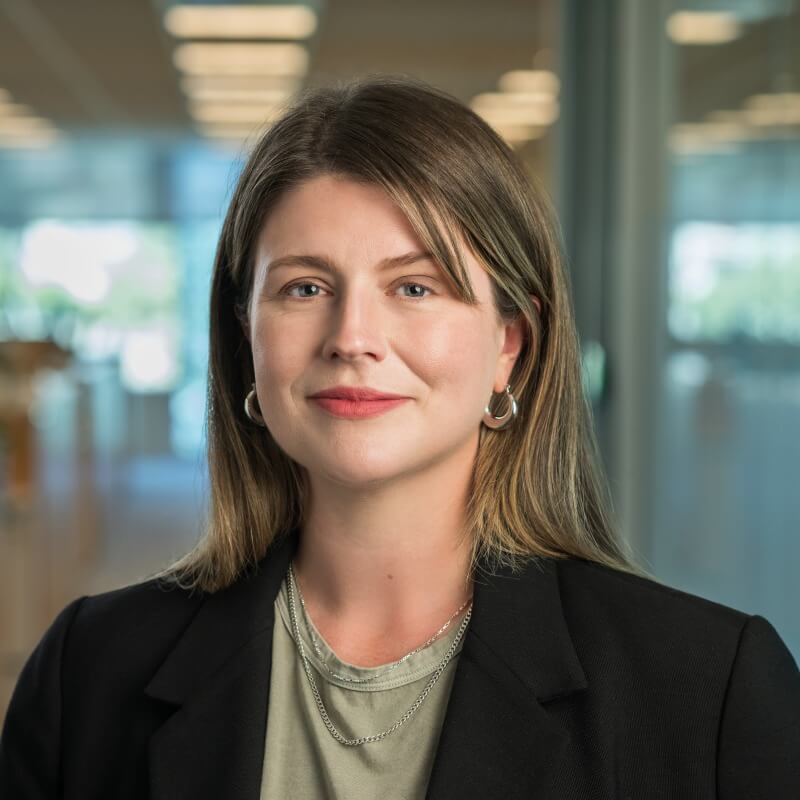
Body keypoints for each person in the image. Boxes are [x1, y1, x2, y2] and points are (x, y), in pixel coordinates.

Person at [1, 74, 798, 800]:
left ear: (509, 345)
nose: (353, 337)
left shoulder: (709, 691)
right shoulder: (89, 671)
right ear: (246, 336)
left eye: (414, 287)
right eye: (305, 287)